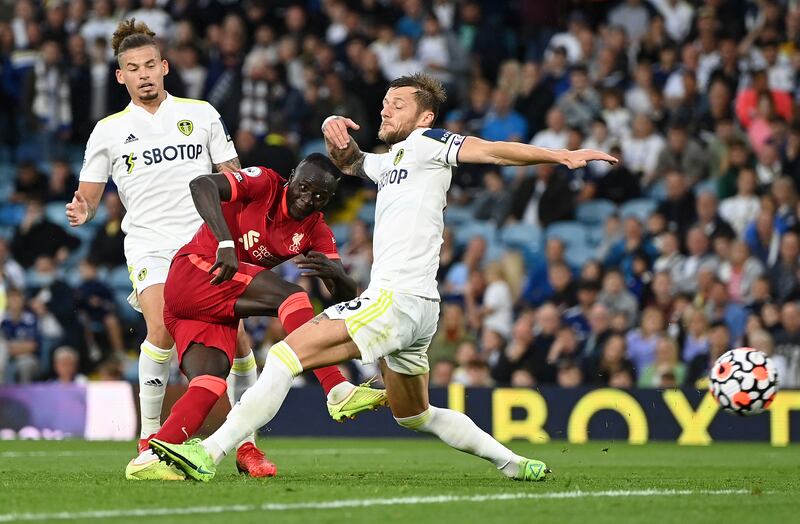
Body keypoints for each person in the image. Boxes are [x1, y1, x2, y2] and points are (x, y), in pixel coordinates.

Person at [150, 73, 616, 482]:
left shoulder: (430, 144)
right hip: (419, 308)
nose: (385, 108)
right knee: (416, 415)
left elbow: (492, 153)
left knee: (284, 358)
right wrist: (336, 135)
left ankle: (209, 452)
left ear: (424, 117)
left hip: (394, 300)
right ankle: (514, 463)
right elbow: (354, 163)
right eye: (384, 102)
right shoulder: (391, 162)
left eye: (398, 104)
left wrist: (559, 155)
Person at [66, 19, 360, 480]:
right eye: (132, 68)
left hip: (207, 235)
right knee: (160, 329)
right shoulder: (107, 130)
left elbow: (230, 172)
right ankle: (149, 436)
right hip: (150, 244)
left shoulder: (200, 113)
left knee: (240, 344)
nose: (143, 74)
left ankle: (246, 446)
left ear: (164, 67)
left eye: (150, 65)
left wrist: (238, 227)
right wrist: (81, 207)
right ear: (119, 76)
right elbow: (89, 191)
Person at [127, 155, 385, 480]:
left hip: (217, 305)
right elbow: (202, 184)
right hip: (197, 271)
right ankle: (335, 387)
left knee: (209, 384)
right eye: (303, 187)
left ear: (329, 200)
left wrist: (341, 276)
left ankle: (150, 456)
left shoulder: (316, 230)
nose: (308, 199)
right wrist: (224, 241)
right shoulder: (264, 181)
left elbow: (344, 299)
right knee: (293, 298)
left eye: (320, 196)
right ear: (291, 176)